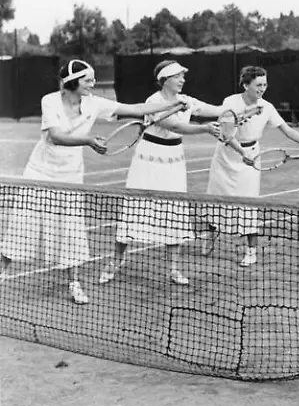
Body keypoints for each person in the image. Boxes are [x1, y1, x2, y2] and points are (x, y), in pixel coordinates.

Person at [0, 59, 184, 304]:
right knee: (22, 224)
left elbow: (135, 109)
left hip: (71, 176)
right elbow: (56, 137)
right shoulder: (50, 100)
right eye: (88, 80)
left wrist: (173, 103)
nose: (93, 84)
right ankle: (2, 272)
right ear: (73, 82)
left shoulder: (94, 103)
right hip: (39, 173)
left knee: (70, 230)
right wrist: (87, 140)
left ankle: (74, 283)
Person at [99, 60, 222, 286]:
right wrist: (205, 128)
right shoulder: (153, 102)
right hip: (148, 160)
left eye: (183, 76)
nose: (183, 80)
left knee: (174, 211)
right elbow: (175, 126)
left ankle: (174, 269)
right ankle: (116, 260)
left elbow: (212, 110)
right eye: (178, 76)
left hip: (174, 161)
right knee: (135, 210)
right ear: (165, 79)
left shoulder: (186, 100)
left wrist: (236, 109)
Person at [203, 66, 299, 267]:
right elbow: (227, 135)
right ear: (246, 85)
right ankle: (211, 233)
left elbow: (287, 130)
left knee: (249, 204)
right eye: (258, 85)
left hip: (252, 156)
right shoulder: (230, 102)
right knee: (217, 198)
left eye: (265, 84)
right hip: (227, 155)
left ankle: (251, 251)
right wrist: (242, 153)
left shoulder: (267, 107)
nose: (262, 88)